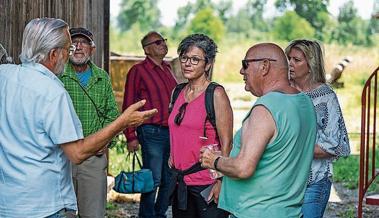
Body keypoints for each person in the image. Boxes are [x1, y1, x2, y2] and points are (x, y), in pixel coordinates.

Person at [0, 18, 157, 218]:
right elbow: (76, 152)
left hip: (8, 203)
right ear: (54, 54)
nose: (70, 53)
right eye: (68, 48)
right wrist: (123, 122)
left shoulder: (5, 75)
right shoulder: (52, 91)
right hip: (41, 205)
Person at [200, 43, 317, 217]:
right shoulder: (304, 102)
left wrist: (214, 160)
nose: (241, 71)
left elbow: (243, 168)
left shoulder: (266, 108)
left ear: (265, 66)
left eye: (245, 64)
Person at [168, 34, 233, 218]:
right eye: (184, 58)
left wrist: (222, 181)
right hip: (181, 183)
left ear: (208, 64)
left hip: (207, 184)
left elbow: (227, 142)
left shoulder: (216, 94)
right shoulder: (177, 92)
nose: (188, 63)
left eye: (195, 59)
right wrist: (172, 156)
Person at [285, 39, 350, 218]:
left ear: (311, 64)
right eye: (288, 58)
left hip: (313, 182)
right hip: (282, 181)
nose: (290, 63)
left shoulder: (325, 97)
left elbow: (332, 145)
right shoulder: (281, 93)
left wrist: (290, 149)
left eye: (296, 60)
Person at [59, 27, 119, 218]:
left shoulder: (101, 77)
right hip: (61, 157)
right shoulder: (57, 75)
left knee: (93, 214)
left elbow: (112, 115)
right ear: (66, 48)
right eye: (73, 43)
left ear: (92, 49)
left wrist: (106, 142)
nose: (78, 47)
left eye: (83, 43)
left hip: (93, 157)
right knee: (61, 213)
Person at [122, 31, 177, 218]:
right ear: (147, 49)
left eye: (164, 41)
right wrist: (130, 136)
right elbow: (129, 103)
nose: (163, 44)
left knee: (170, 179)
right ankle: (146, 215)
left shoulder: (168, 68)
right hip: (150, 131)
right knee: (153, 179)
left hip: (171, 133)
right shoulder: (138, 71)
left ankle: (159, 214)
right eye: (158, 42)